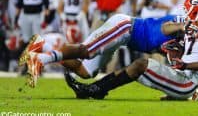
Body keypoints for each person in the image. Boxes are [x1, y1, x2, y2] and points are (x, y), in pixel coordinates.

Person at [64, 0, 198, 101]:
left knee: (141, 65)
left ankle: (95, 89)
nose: (188, 17)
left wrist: (186, 65)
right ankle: (95, 89)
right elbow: (167, 29)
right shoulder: (189, 28)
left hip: (187, 83)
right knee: (141, 63)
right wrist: (180, 29)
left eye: (191, 14)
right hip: (182, 77)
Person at [19, 12, 185, 87]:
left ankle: (43, 45)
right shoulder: (182, 24)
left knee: (85, 72)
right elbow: (167, 26)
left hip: (124, 39)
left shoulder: (186, 42)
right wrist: (186, 26)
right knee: (87, 50)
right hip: (125, 27)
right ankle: (41, 59)